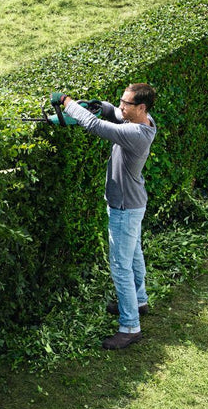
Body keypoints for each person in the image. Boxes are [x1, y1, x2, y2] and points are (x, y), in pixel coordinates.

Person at [55, 83, 157, 350]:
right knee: (134, 253)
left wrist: (67, 102)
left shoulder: (135, 133)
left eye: (127, 104)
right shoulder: (146, 121)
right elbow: (114, 116)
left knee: (120, 266)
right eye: (120, 101)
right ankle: (140, 300)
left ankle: (130, 327)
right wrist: (105, 107)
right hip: (133, 202)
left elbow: (97, 127)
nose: (122, 107)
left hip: (124, 207)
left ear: (141, 108)